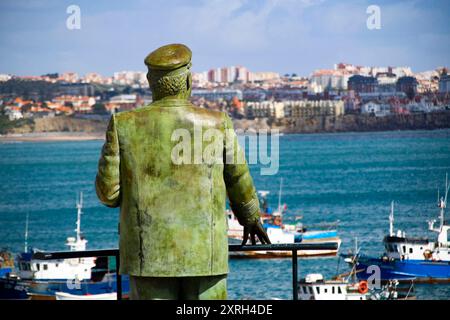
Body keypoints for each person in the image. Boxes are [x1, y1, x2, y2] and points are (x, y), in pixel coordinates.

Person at [95, 43, 270, 300]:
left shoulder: (123, 124)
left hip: (148, 256)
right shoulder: (217, 122)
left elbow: (108, 194)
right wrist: (250, 217)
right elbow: (238, 178)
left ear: (150, 81)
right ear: (188, 80)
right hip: (205, 255)